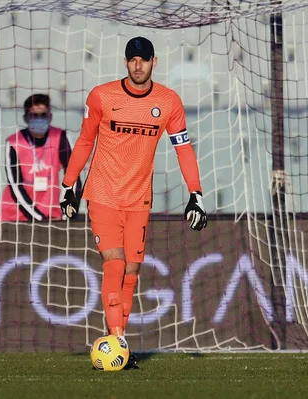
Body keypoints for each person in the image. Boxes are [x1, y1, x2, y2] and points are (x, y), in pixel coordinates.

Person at [59, 37, 207, 368]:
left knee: (132, 271)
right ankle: (118, 342)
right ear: (125, 63)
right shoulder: (102, 96)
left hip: (139, 197)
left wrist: (195, 193)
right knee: (113, 263)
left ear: (155, 62)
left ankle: (117, 339)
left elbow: (183, 147)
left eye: (143, 60)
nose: (137, 65)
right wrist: (68, 185)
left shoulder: (169, 101)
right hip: (102, 192)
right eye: (132, 60)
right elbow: (85, 140)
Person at [0, 94, 82, 221]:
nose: (39, 119)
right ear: (25, 118)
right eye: (34, 115)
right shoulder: (14, 142)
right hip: (15, 216)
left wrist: (69, 212)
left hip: (51, 215)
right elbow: (15, 185)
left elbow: (73, 177)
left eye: (43, 115)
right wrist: (37, 217)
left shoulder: (60, 137)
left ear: (50, 117)